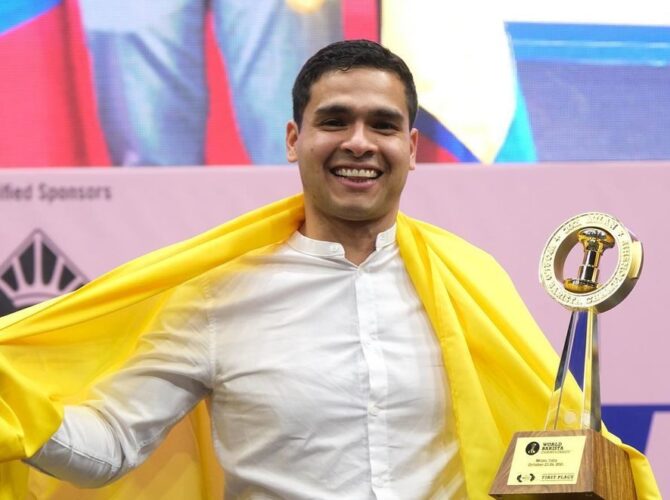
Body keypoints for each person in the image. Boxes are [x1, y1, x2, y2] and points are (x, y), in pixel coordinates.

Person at [2, 41, 660, 499]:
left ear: (411, 147)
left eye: (383, 125)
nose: (359, 143)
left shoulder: (468, 279)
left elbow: (544, 439)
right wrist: (15, 411)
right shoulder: (215, 296)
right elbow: (109, 446)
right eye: (334, 121)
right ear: (295, 140)